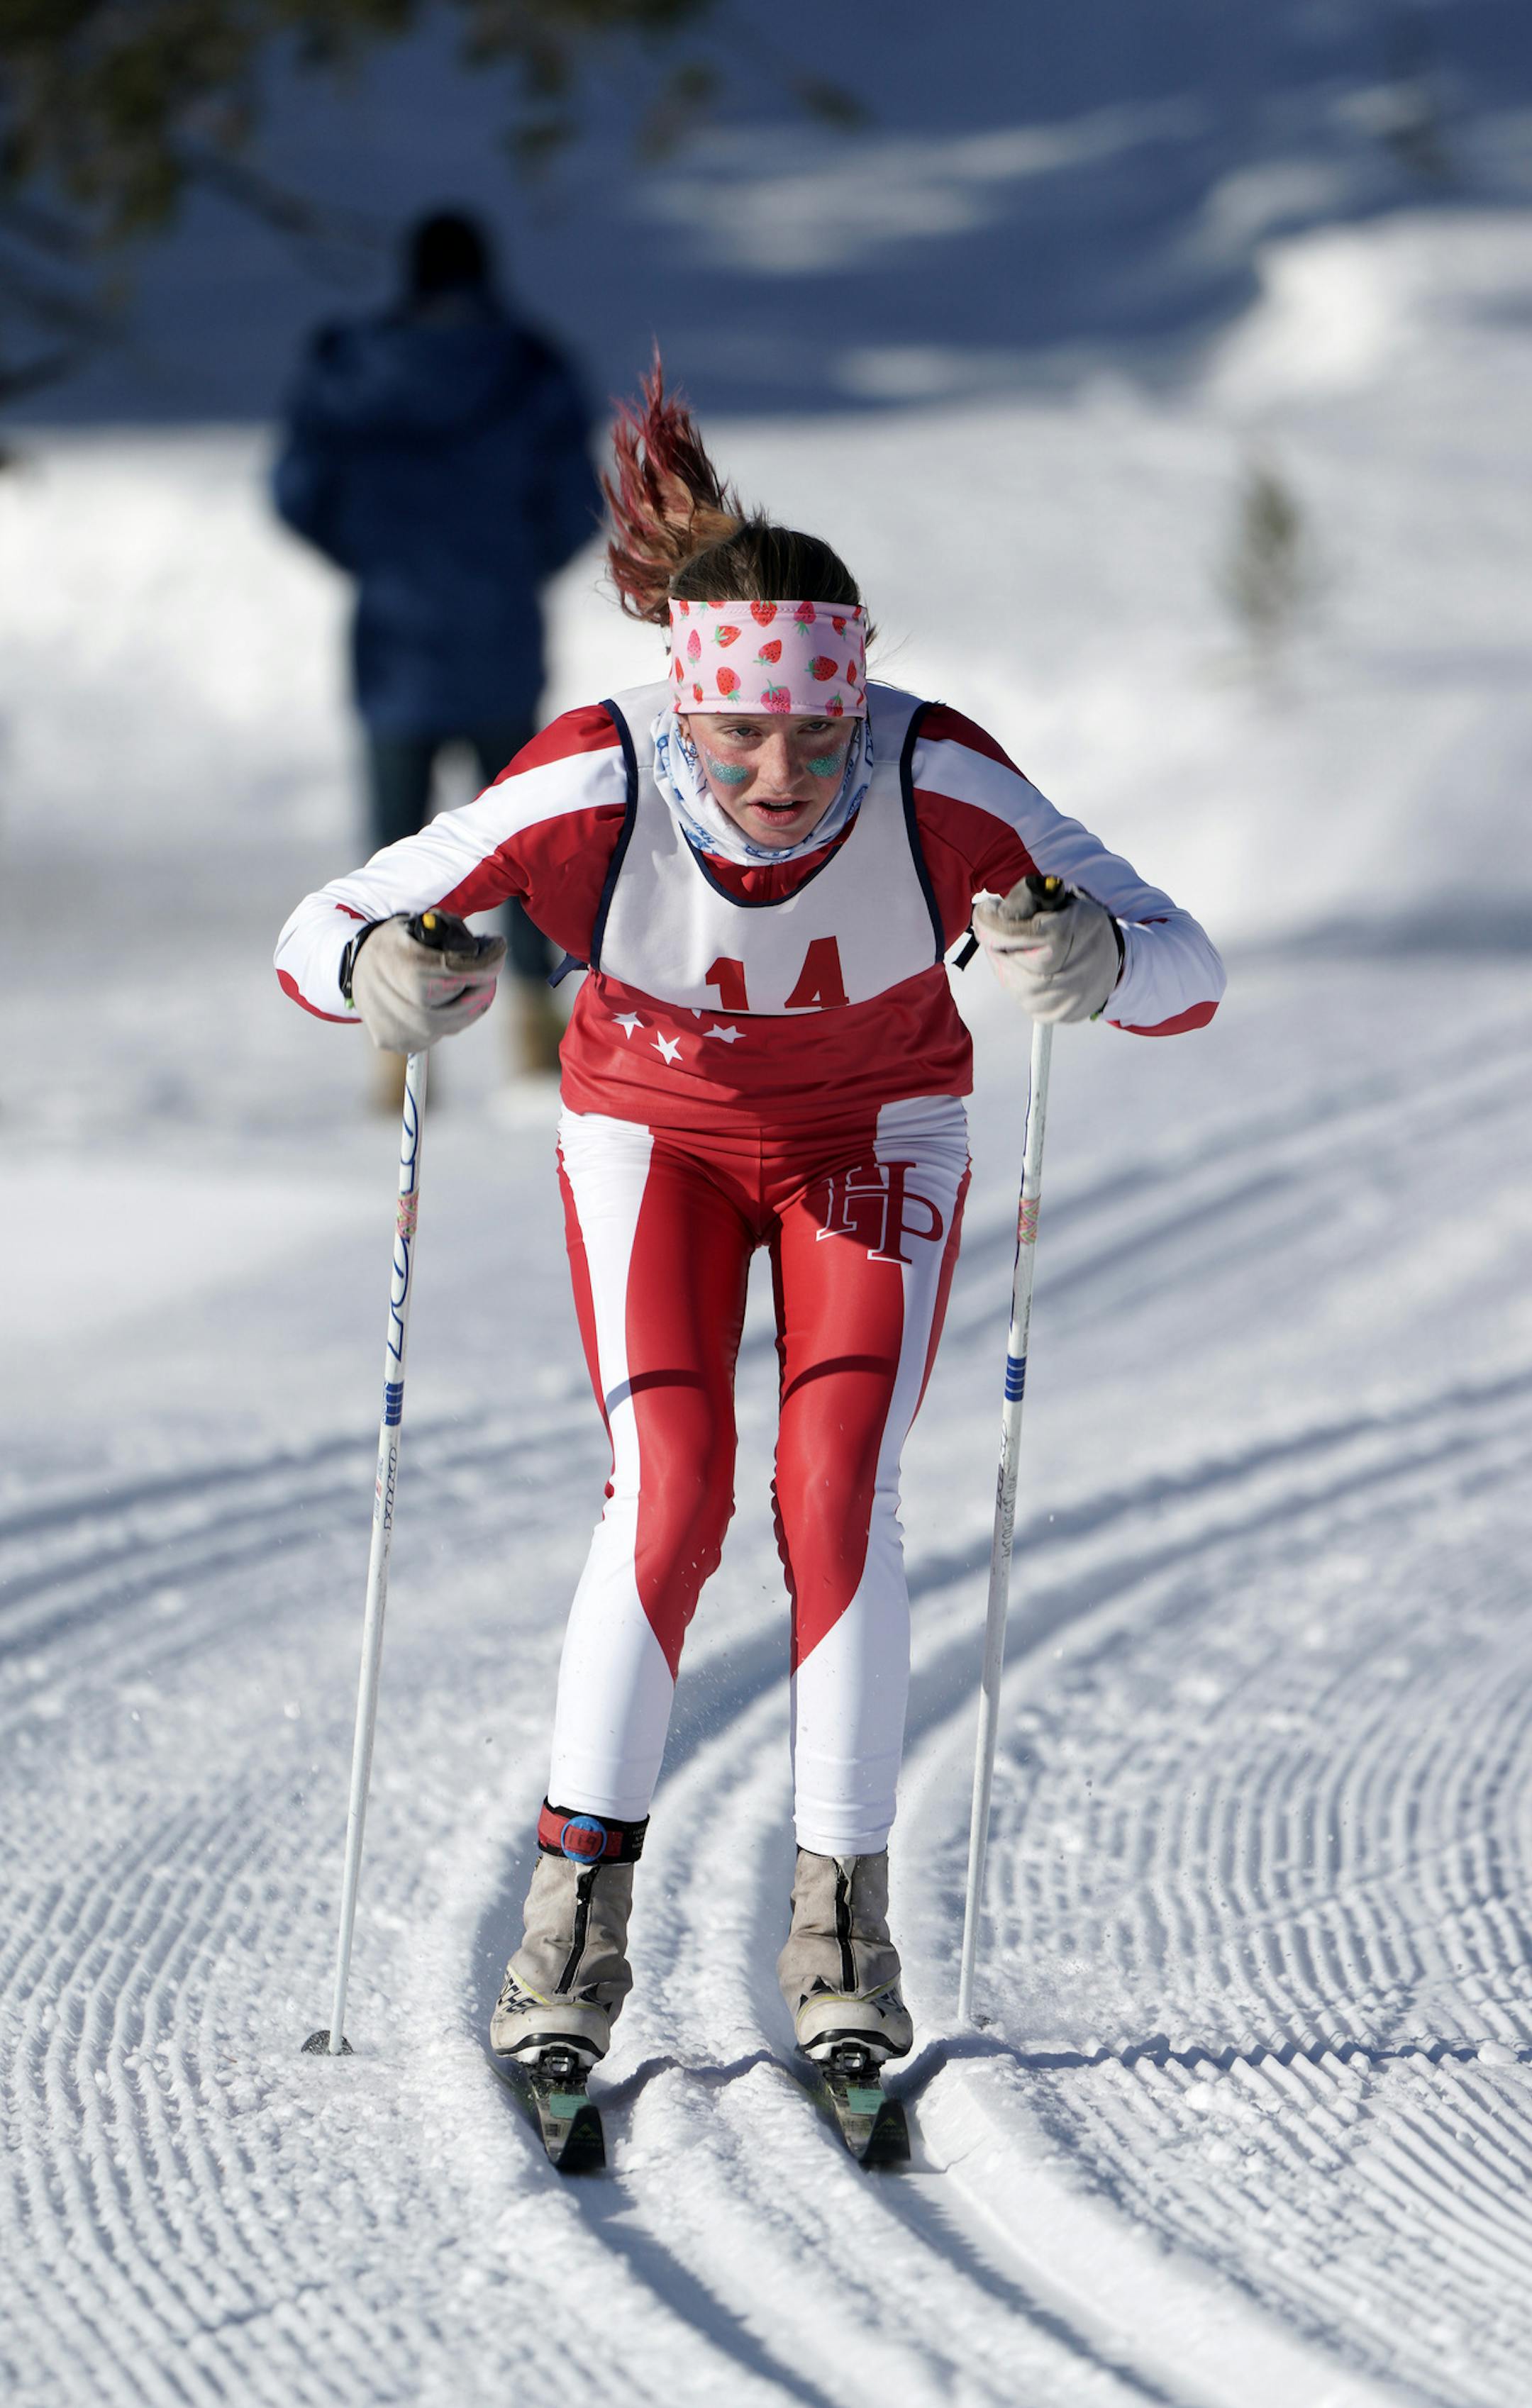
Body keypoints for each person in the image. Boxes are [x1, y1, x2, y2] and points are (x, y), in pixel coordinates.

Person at [274, 366, 1226, 2076]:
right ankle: (569, 1932)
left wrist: (1090, 955)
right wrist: (380, 968)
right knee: (673, 1490)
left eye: (815, 736)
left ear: (860, 705)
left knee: (835, 1485)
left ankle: (842, 1926)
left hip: (873, 1126)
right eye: (739, 737)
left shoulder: (941, 775)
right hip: (655, 1136)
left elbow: (1185, 965)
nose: (783, 774)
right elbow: (327, 923)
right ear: (681, 710)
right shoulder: (589, 781)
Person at [272, 208, 601, 1096]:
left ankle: (396, 1043)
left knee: (395, 853)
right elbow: (578, 499)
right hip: (500, 636)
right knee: (524, 842)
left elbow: (297, 491)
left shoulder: (350, 366)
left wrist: (375, 557)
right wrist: (509, 566)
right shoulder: (529, 367)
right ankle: (537, 1030)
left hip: (394, 644)